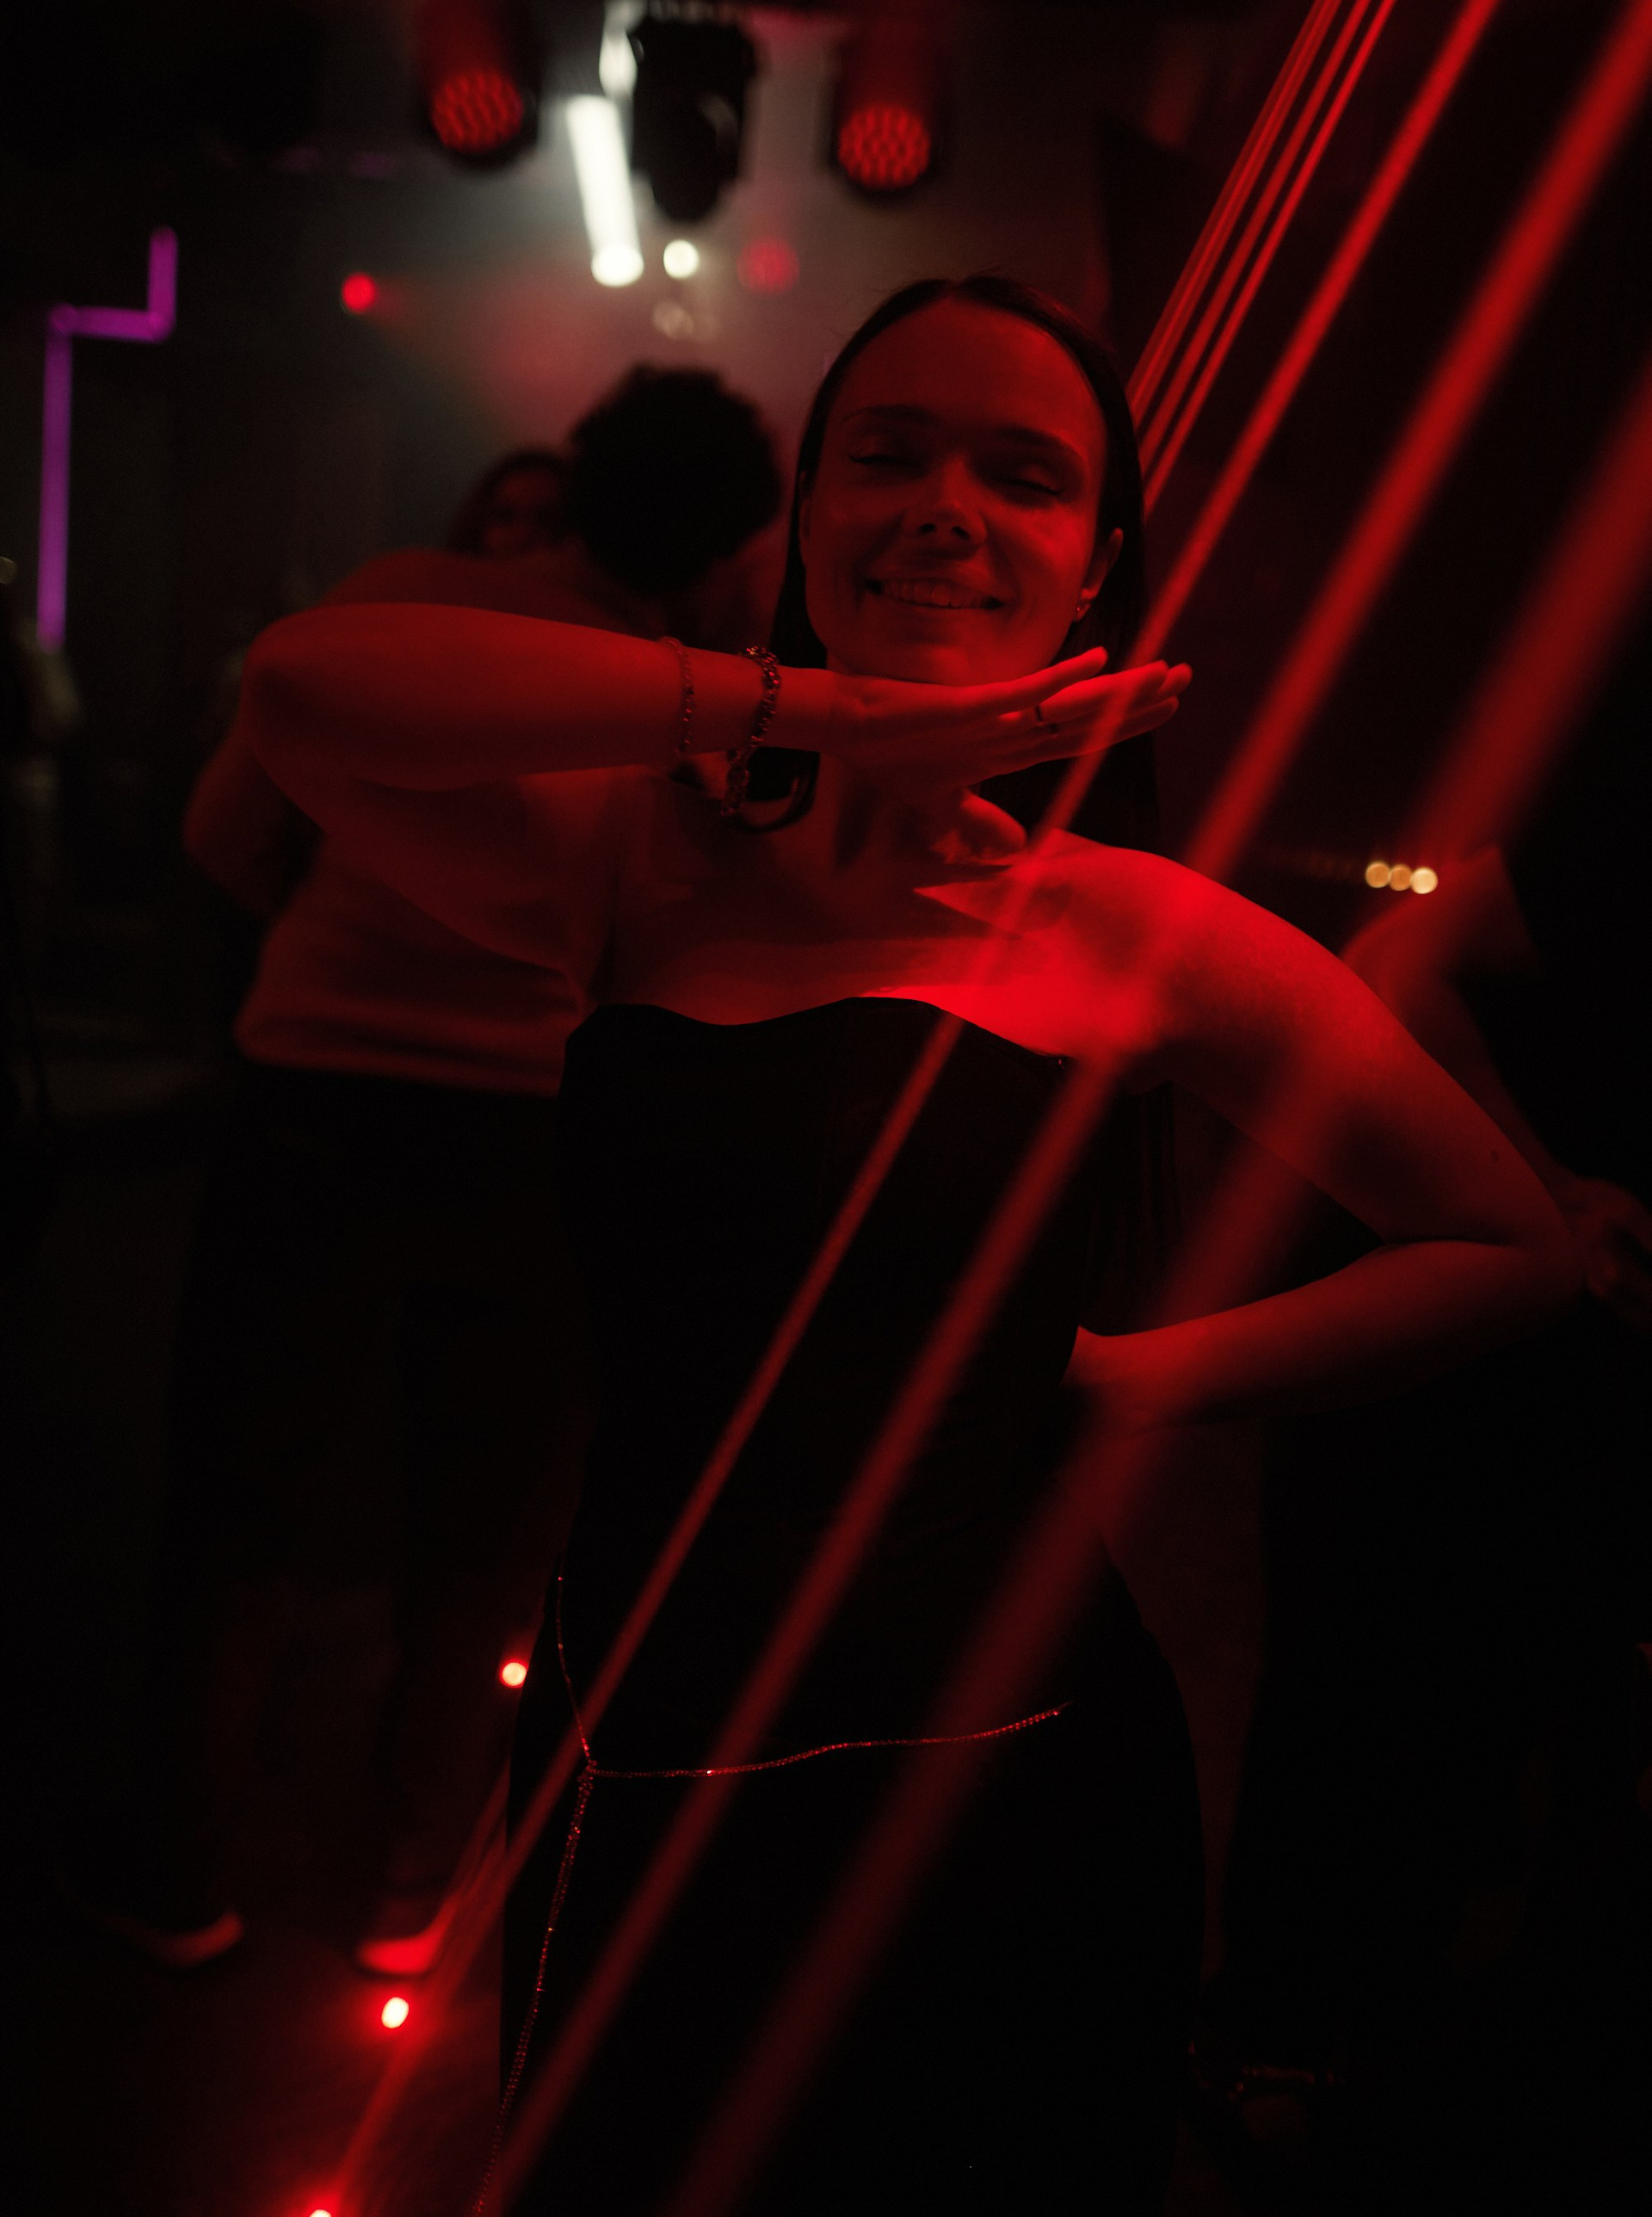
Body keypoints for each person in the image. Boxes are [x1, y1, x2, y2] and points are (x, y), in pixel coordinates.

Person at [242, 277, 1576, 2214]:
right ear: (805, 521)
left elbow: (1505, 1241)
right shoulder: (639, 853)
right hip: (649, 1752)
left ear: (1093, 563)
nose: (947, 507)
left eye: (1021, 475)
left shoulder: (1123, 923)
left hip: (1014, 1773)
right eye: (889, 454)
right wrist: (818, 712)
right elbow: (301, 695)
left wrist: (1129, 1383)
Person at [84, 373, 781, 1980]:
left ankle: (176, 1876)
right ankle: (406, 1895)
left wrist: (333, 937)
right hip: (535, 1130)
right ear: (722, 541)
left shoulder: (402, 594)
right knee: (480, 1540)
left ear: (581, 477)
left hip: (318, 1100)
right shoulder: (681, 701)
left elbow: (222, 827)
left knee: (237, 1507)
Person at [1211, 621, 1651, 2207]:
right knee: (1383, 1675)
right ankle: (1283, 2052)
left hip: (1556, 1323)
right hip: (1464, 1310)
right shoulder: (1614, 807)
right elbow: (1395, 962)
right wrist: (1555, 1197)